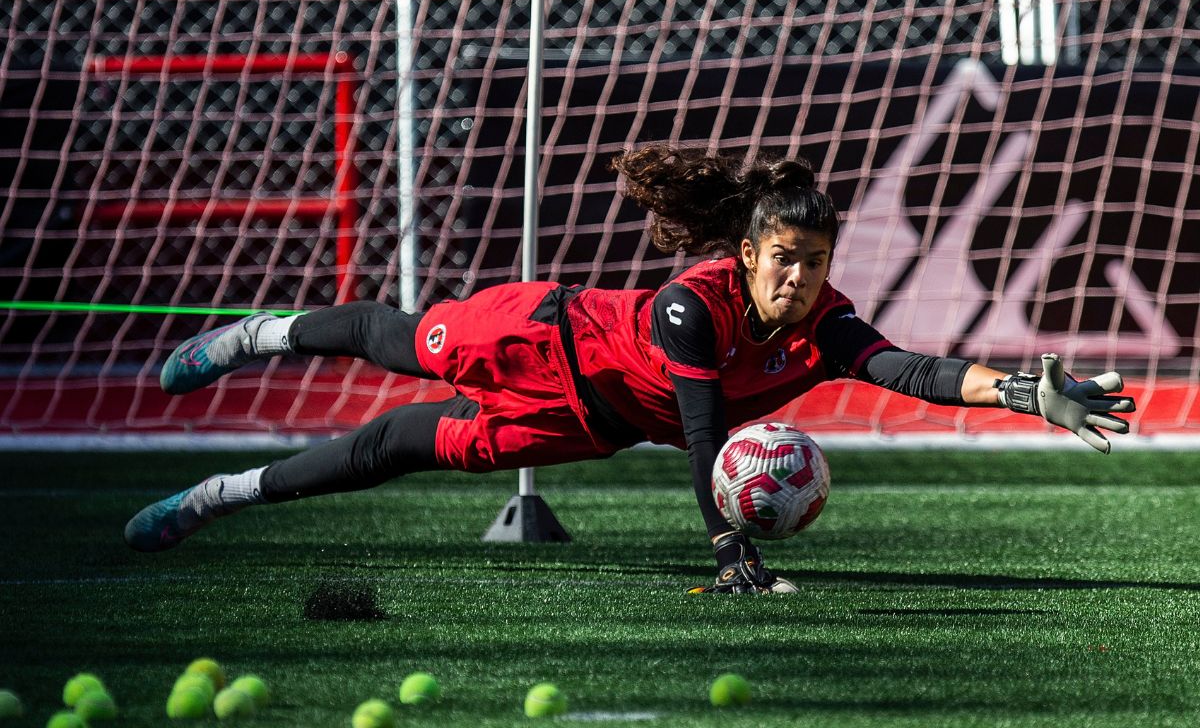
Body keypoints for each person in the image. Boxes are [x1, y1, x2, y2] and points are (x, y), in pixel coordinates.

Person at [125, 146, 1136, 593]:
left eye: (815, 261)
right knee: (405, 341)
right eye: (784, 257)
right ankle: (259, 332)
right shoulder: (697, 303)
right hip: (543, 335)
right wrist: (727, 547)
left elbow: (905, 367)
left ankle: (216, 494)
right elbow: (702, 433)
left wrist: (1016, 390)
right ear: (748, 253)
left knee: (403, 445)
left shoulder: (823, 322)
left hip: (588, 423)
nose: (798, 275)